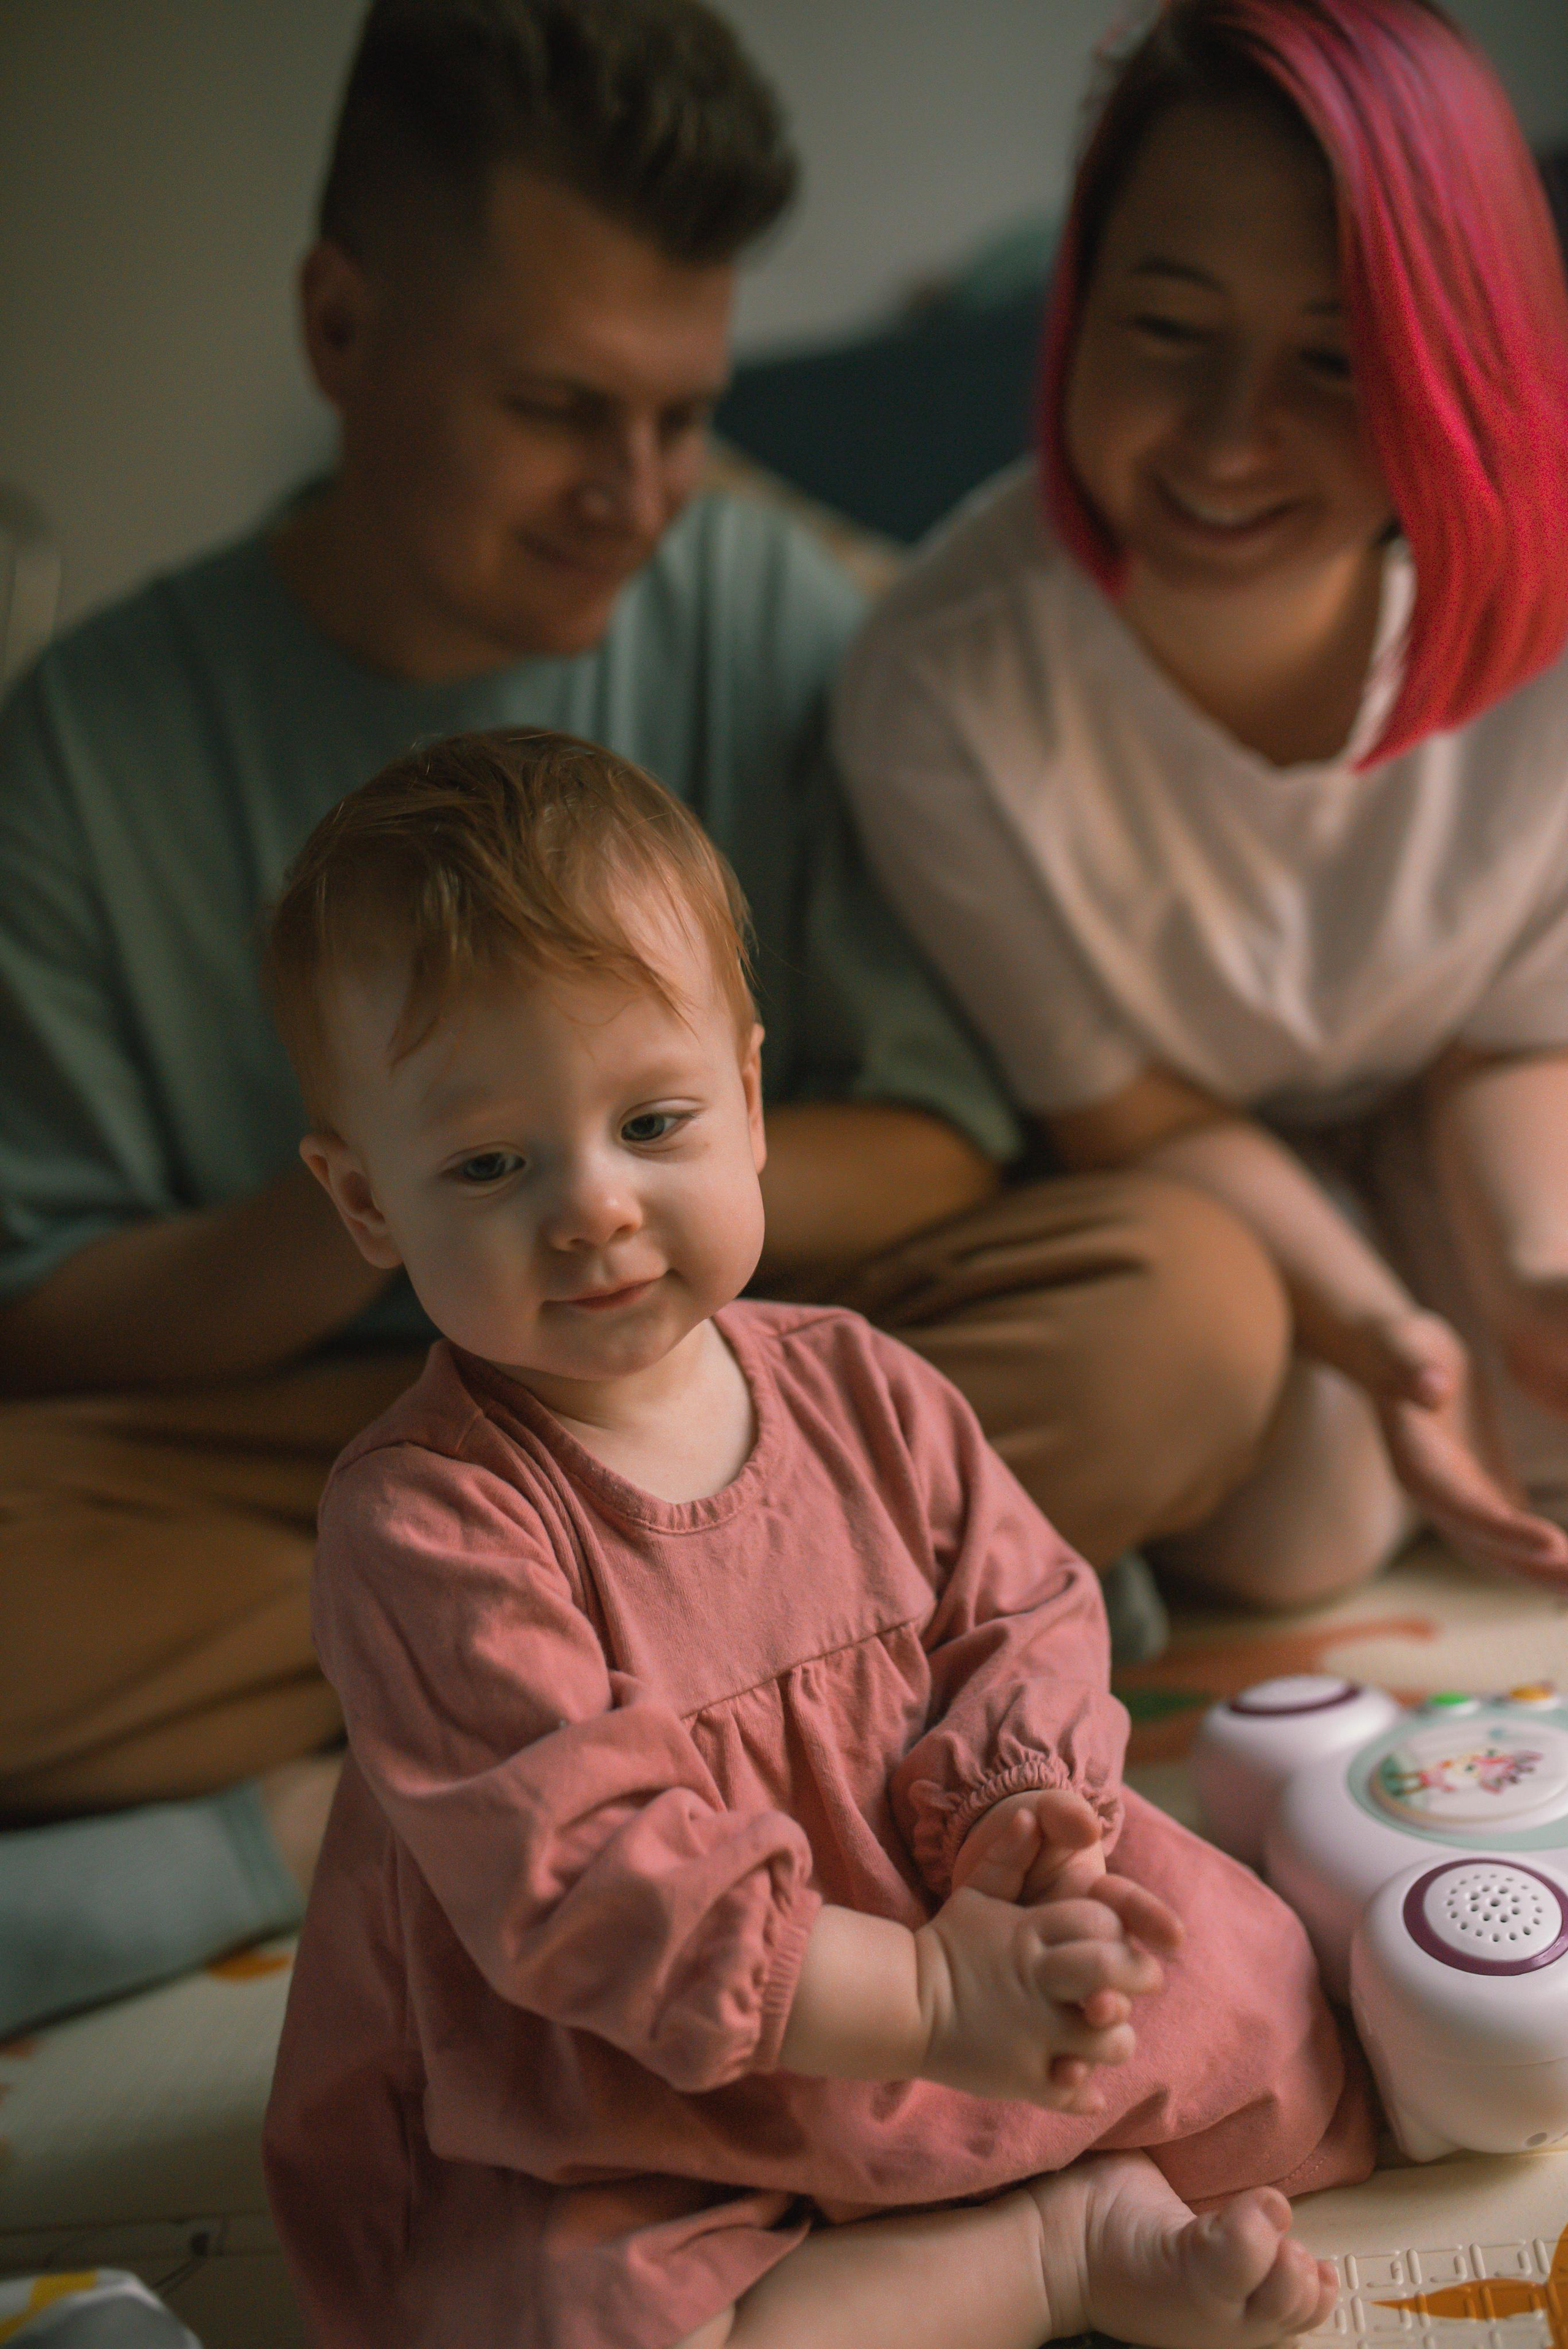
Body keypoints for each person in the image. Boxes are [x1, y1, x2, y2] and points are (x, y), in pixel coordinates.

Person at [0, 0, 1291, 2031]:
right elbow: (45, 1313)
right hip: (306, 1454)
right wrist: (428, 1206)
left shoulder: (767, 611)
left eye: (681, 416)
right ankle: (530, 1729)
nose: (639, 491)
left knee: (1187, 1308)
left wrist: (627, 1193)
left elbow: (946, 1133)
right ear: (342, 328)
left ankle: (502, 1725)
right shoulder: (88, 743)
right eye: (556, 407)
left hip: (735, 1414)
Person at [260, 728, 1369, 2349]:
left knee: (1255, 1990)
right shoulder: (428, 1518)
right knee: (565, 2317)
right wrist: (920, 2004)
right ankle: (1051, 2251)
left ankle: (997, 2174)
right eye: (490, 1162)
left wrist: (1021, 1837)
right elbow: (593, 1883)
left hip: (943, 1915)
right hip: (630, 2064)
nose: (591, 1206)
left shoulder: (861, 1381)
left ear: (754, 1100)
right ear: (365, 1203)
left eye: (652, 1120)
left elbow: (1029, 1611)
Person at [835, 0, 1568, 1614]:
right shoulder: (939, 685)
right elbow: (1141, 1116)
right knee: (1297, 1515)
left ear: (1452, 361)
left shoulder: (1543, 638)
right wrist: (1397, 1342)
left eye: (1331, 359)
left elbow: (1514, 1034)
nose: (1234, 437)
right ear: (1080, 302)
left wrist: (1532, 1278)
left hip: (1474, 1118)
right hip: (1194, 1185)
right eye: (1169, 327)